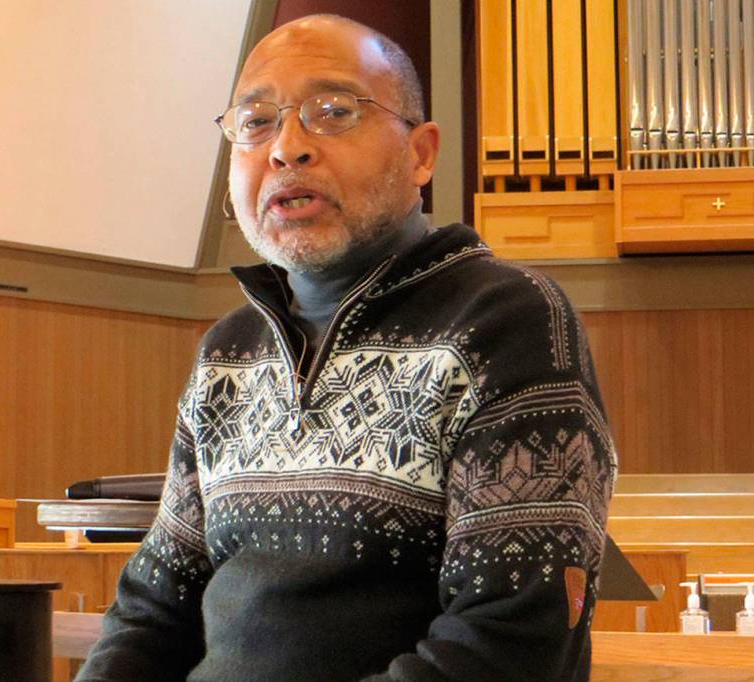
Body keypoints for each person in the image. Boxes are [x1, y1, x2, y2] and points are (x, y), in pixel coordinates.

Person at [76, 14, 616, 682]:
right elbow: (153, 611)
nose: (286, 149)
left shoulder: (505, 321)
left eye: (333, 112)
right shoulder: (229, 353)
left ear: (420, 153)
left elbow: (509, 642)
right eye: (256, 123)